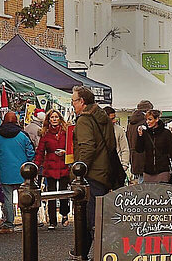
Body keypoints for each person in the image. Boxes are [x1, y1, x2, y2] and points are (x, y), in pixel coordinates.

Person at [71, 86, 116, 260]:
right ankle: (88, 251)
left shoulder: (84, 120)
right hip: (104, 172)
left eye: (74, 100)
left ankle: (82, 253)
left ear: (82, 101)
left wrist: (78, 172)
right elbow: (111, 145)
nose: (73, 104)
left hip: (91, 174)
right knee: (97, 217)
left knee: (87, 219)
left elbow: (87, 148)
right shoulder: (103, 116)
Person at [0, 112, 35, 234]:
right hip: (22, 171)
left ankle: (9, 224)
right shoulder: (22, 135)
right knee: (24, 197)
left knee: (8, 198)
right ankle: (27, 221)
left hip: (6, 171)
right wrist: (28, 163)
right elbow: (31, 152)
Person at [33, 109, 70, 230]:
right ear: (48, 120)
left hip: (64, 166)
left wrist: (65, 153)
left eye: (56, 117)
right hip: (50, 167)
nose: (54, 119)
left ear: (60, 119)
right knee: (51, 194)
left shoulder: (66, 132)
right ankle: (52, 221)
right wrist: (36, 166)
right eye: (52, 117)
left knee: (64, 193)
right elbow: (40, 152)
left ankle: (64, 214)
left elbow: (71, 148)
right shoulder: (45, 134)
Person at [136, 109, 172, 183]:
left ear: (157, 119)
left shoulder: (166, 133)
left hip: (162, 170)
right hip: (148, 171)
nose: (148, 122)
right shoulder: (145, 133)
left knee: (162, 192)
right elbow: (139, 149)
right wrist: (140, 136)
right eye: (146, 120)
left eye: (150, 119)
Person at [126, 100, 153, 182]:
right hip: (144, 158)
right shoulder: (146, 123)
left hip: (134, 158)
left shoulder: (130, 124)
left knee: (140, 184)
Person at [104, 106, 130, 173]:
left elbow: (125, 148)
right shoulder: (97, 129)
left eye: (114, 118)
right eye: (112, 119)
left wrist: (124, 165)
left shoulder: (119, 130)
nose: (114, 121)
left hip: (116, 166)